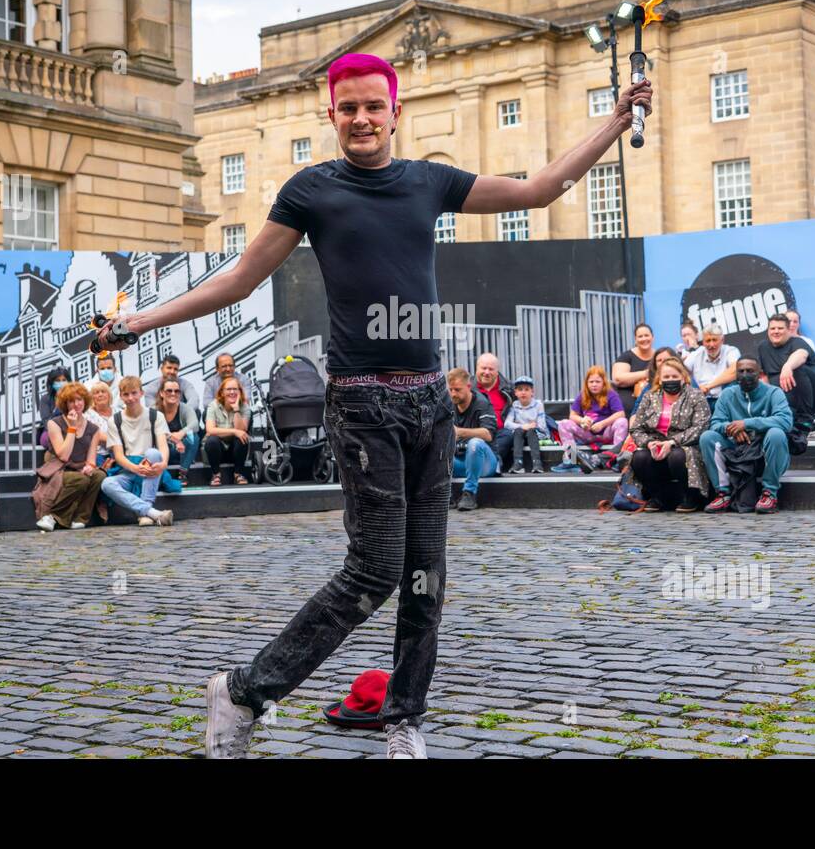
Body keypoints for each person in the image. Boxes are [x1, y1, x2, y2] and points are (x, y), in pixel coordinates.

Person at [91, 50, 652, 759]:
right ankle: (243, 691)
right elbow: (238, 280)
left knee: (426, 577)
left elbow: (539, 189)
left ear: (395, 112)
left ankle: (404, 720)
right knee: (375, 569)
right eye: (348, 107)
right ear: (332, 114)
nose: (361, 118)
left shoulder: (429, 182)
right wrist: (138, 322)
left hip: (430, 404)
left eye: (373, 106)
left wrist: (616, 120)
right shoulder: (310, 191)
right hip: (361, 407)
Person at [698, 357, 793, 514]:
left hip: (763, 453)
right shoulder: (727, 394)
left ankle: (769, 493)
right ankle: (723, 493)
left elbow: (785, 421)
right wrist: (732, 429)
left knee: (777, 434)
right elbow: (715, 423)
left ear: (759, 373)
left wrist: (747, 423)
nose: (745, 375)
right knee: (707, 437)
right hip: (737, 451)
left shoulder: (774, 393)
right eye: (741, 371)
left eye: (750, 371)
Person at [626, 357, 712, 512]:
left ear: (683, 377)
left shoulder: (695, 395)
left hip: (686, 446)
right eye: (666, 377)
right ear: (659, 379)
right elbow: (636, 428)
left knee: (677, 456)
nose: (670, 380)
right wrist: (649, 443)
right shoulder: (649, 396)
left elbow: (701, 426)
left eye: (674, 376)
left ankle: (690, 497)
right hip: (655, 444)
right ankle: (658, 497)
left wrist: (672, 442)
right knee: (639, 457)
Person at [98, 375, 174, 526]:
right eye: (126, 394)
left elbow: (162, 446)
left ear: (141, 393)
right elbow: (118, 455)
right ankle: (150, 513)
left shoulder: (155, 416)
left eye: (134, 393)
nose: (131, 398)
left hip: (151, 467)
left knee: (153, 453)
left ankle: (145, 509)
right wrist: (135, 468)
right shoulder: (115, 420)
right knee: (107, 484)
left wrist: (164, 463)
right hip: (128, 469)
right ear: (121, 396)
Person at [34, 383, 106, 531]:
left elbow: (91, 459)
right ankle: (52, 516)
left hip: (80, 467)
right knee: (80, 479)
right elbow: (63, 455)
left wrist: (89, 467)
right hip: (59, 469)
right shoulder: (55, 423)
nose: (76, 404)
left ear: (85, 401)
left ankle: (81, 518)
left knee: (98, 475)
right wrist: (72, 428)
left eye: (79, 399)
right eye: (71, 401)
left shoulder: (93, 429)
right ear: (65, 404)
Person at [757, 313, 815, 444]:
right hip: (788, 394)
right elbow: (763, 375)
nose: (776, 331)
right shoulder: (763, 347)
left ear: (788, 330)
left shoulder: (797, 342)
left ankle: (806, 419)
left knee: (796, 369)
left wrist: (787, 366)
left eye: (780, 328)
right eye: (772, 328)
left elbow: (801, 355)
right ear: (768, 331)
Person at [554, 365, 628, 471]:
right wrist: (582, 421)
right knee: (563, 423)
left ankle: (616, 460)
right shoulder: (582, 395)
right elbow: (572, 415)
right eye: (591, 382)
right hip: (587, 433)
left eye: (597, 382)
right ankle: (572, 459)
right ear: (586, 383)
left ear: (604, 382)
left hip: (606, 434)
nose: (594, 384)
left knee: (622, 422)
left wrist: (602, 424)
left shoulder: (611, 394)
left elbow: (620, 413)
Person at [448, 367, 498, 510]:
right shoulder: (448, 405)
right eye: (451, 389)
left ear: (468, 386)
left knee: (475, 443)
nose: (453, 394)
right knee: (436, 447)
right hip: (461, 462)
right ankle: (446, 495)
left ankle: (469, 493)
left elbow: (488, 434)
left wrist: (460, 432)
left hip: (485, 463)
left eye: (457, 389)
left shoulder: (482, 403)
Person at [204, 375, 252, 486]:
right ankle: (216, 475)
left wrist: (236, 409)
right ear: (222, 392)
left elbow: (242, 430)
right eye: (229, 389)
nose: (232, 392)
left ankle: (238, 474)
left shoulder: (245, 407)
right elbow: (210, 430)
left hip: (235, 451)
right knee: (212, 440)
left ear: (240, 392)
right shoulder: (213, 405)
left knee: (242, 437)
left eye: (235, 389)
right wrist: (234, 431)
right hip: (217, 450)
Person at [683, 324, 740, 413]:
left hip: (726, 400)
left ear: (722, 340)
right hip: (702, 401)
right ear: (703, 342)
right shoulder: (696, 354)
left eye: (714, 340)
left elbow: (735, 370)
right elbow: (681, 372)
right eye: (708, 341)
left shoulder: (731, 351)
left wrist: (708, 386)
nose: (711, 344)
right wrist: (695, 389)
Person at [157, 377, 201, 490]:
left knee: (193, 437)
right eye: (169, 391)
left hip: (181, 451)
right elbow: (152, 432)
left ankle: (183, 473)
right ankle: (161, 475)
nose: (173, 394)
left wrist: (181, 433)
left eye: (176, 391)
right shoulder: (154, 410)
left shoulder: (185, 408)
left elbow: (195, 425)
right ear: (162, 393)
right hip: (162, 450)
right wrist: (174, 439)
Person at [474, 353, 514, 469]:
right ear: (477, 368)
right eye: (483, 368)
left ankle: (487, 461)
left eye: (491, 369)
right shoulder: (468, 388)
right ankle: (493, 463)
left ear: (497, 372)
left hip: (500, 434)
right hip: (476, 431)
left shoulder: (509, 388)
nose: (487, 372)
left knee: (508, 434)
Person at [504, 374, 547, 474]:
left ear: (532, 392)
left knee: (531, 431)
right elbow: (507, 424)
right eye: (520, 389)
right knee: (518, 431)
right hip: (520, 436)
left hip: (536, 435)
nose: (523, 392)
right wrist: (524, 426)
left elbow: (542, 426)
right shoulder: (514, 405)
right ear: (516, 392)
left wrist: (533, 427)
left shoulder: (538, 405)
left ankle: (537, 462)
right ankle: (518, 463)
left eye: (527, 389)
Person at [611, 324, 655, 416]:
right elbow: (618, 378)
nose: (644, 339)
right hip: (628, 404)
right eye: (640, 336)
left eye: (646, 335)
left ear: (652, 337)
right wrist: (647, 373)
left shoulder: (659, 356)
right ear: (635, 339)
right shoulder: (627, 356)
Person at [84, 380, 119, 470]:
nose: (100, 395)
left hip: (119, 451)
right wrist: (118, 440)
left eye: (103, 391)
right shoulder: (87, 414)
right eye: (96, 393)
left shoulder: (119, 411)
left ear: (109, 395)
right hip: (98, 454)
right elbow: (97, 435)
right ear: (92, 398)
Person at [36, 366, 71, 445]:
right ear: (51, 383)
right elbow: (46, 421)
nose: (61, 383)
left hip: (70, 430)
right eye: (57, 380)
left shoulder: (73, 397)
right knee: (49, 439)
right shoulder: (45, 398)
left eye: (64, 380)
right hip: (51, 431)